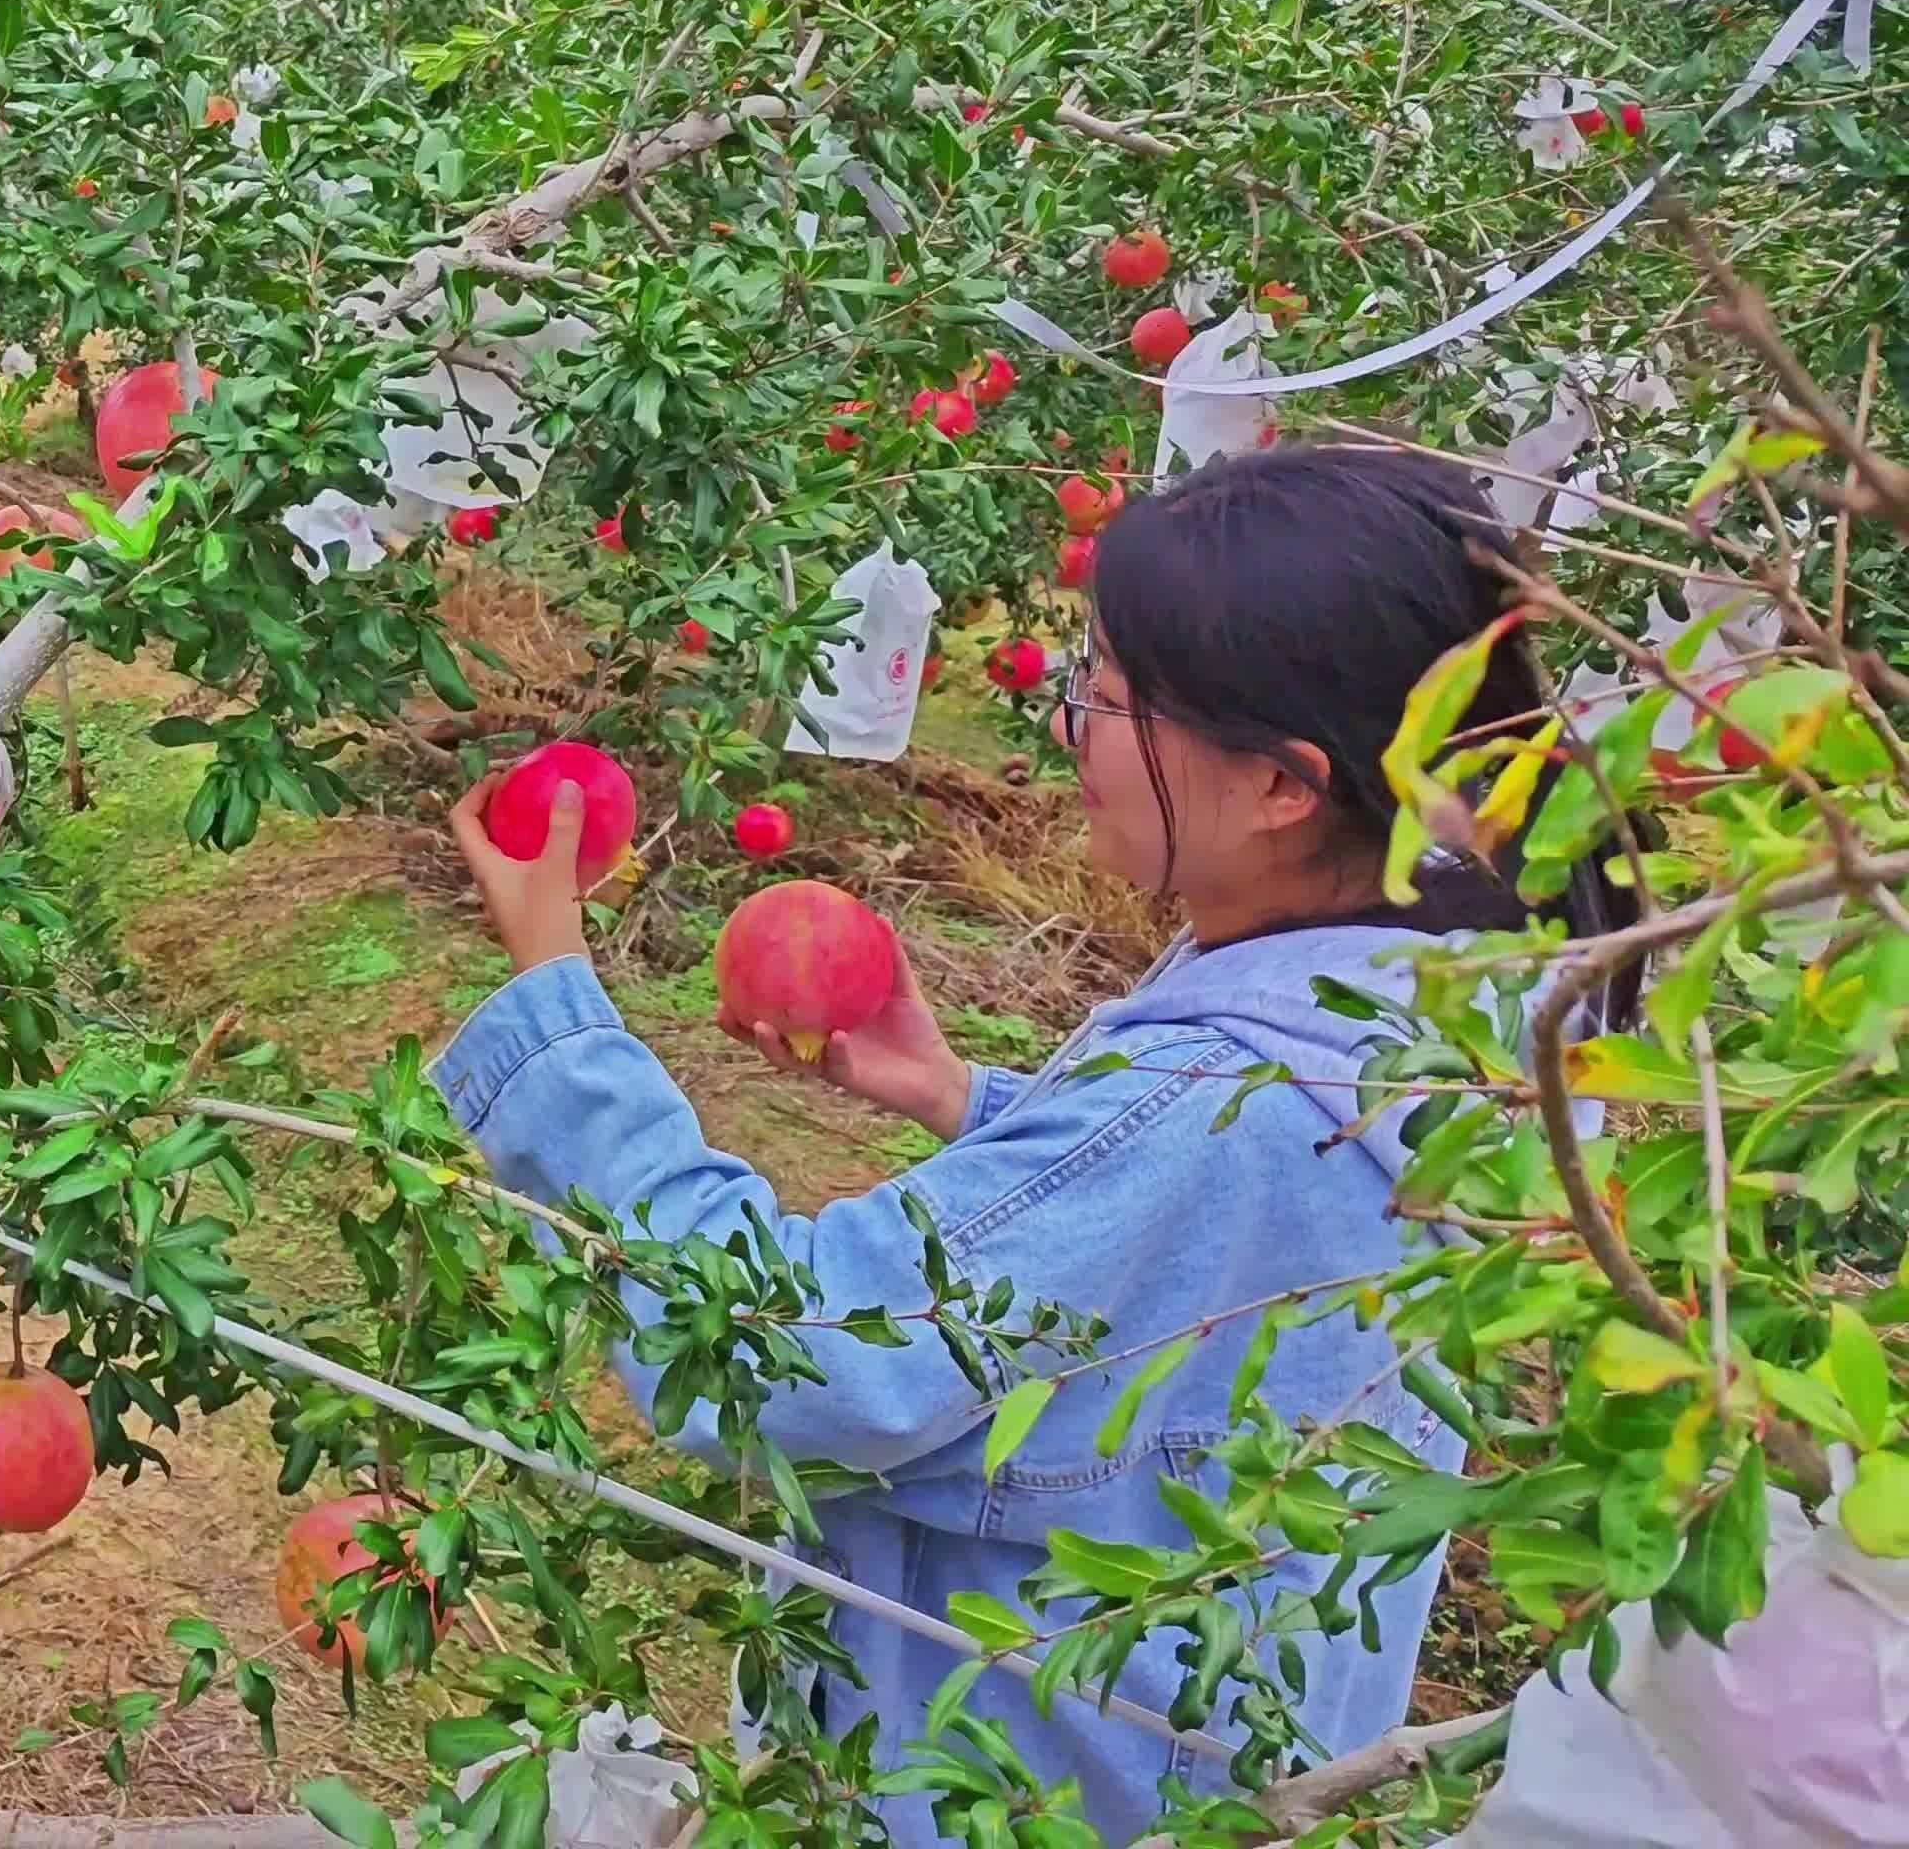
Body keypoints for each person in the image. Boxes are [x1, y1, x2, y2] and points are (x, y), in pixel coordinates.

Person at [434, 447, 1617, 1845]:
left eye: (1107, 699)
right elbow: (1189, 1293)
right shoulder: (1466, 1024)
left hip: (1013, 1792)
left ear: (1286, 785)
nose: (1067, 729)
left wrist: (557, 1023)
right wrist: (976, 1107)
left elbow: (777, 1363)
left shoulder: (1210, 1096)